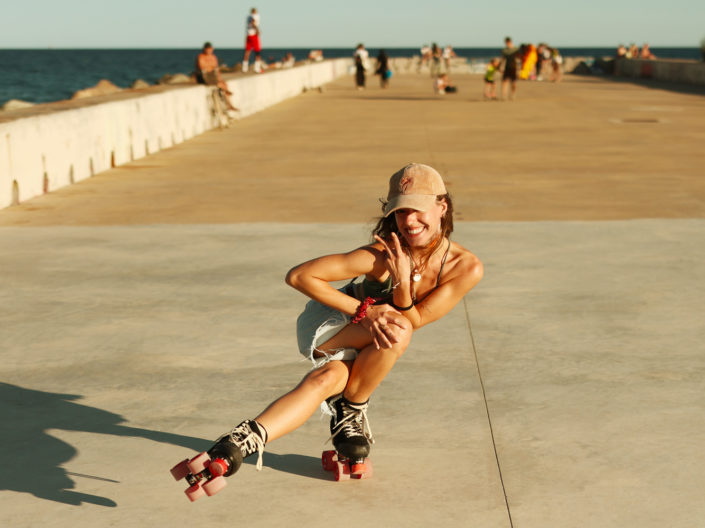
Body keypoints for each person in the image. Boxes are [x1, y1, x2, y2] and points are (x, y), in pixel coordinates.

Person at [195, 163, 483, 478]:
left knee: (326, 381)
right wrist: (367, 311)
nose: (409, 221)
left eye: (417, 210)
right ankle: (351, 409)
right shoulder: (381, 256)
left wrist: (402, 285)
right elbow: (300, 276)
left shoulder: (465, 267)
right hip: (333, 324)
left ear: (441, 207)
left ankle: (240, 442)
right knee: (396, 328)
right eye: (400, 213)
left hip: (376, 339)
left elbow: (418, 317)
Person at [195, 42, 238, 111]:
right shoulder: (201, 56)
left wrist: (218, 78)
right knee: (221, 85)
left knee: (223, 83)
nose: (209, 51)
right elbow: (202, 68)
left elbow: (216, 70)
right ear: (205, 49)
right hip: (204, 77)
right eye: (208, 49)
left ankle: (229, 104)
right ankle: (228, 100)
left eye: (210, 49)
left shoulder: (213, 57)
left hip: (212, 76)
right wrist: (211, 68)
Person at [242, 8, 263, 73]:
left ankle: (244, 68)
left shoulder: (248, 17)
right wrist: (257, 30)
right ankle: (257, 68)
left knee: (247, 51)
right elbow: (253, 22)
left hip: (248, 35)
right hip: (254, 35)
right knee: (257, 52)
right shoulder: (254, 16)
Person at [500, 36, 519, 101]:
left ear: (510, 42)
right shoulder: (504, 50)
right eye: (506, 42)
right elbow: (502, 59)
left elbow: (519, 57)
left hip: (514, 67)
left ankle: (513, 95)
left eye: (508, 42)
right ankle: (504, 96)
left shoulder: (515, 49)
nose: (507, 43)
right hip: (507, 67)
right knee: (504, 82)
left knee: (513, 83)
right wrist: (500, 67)